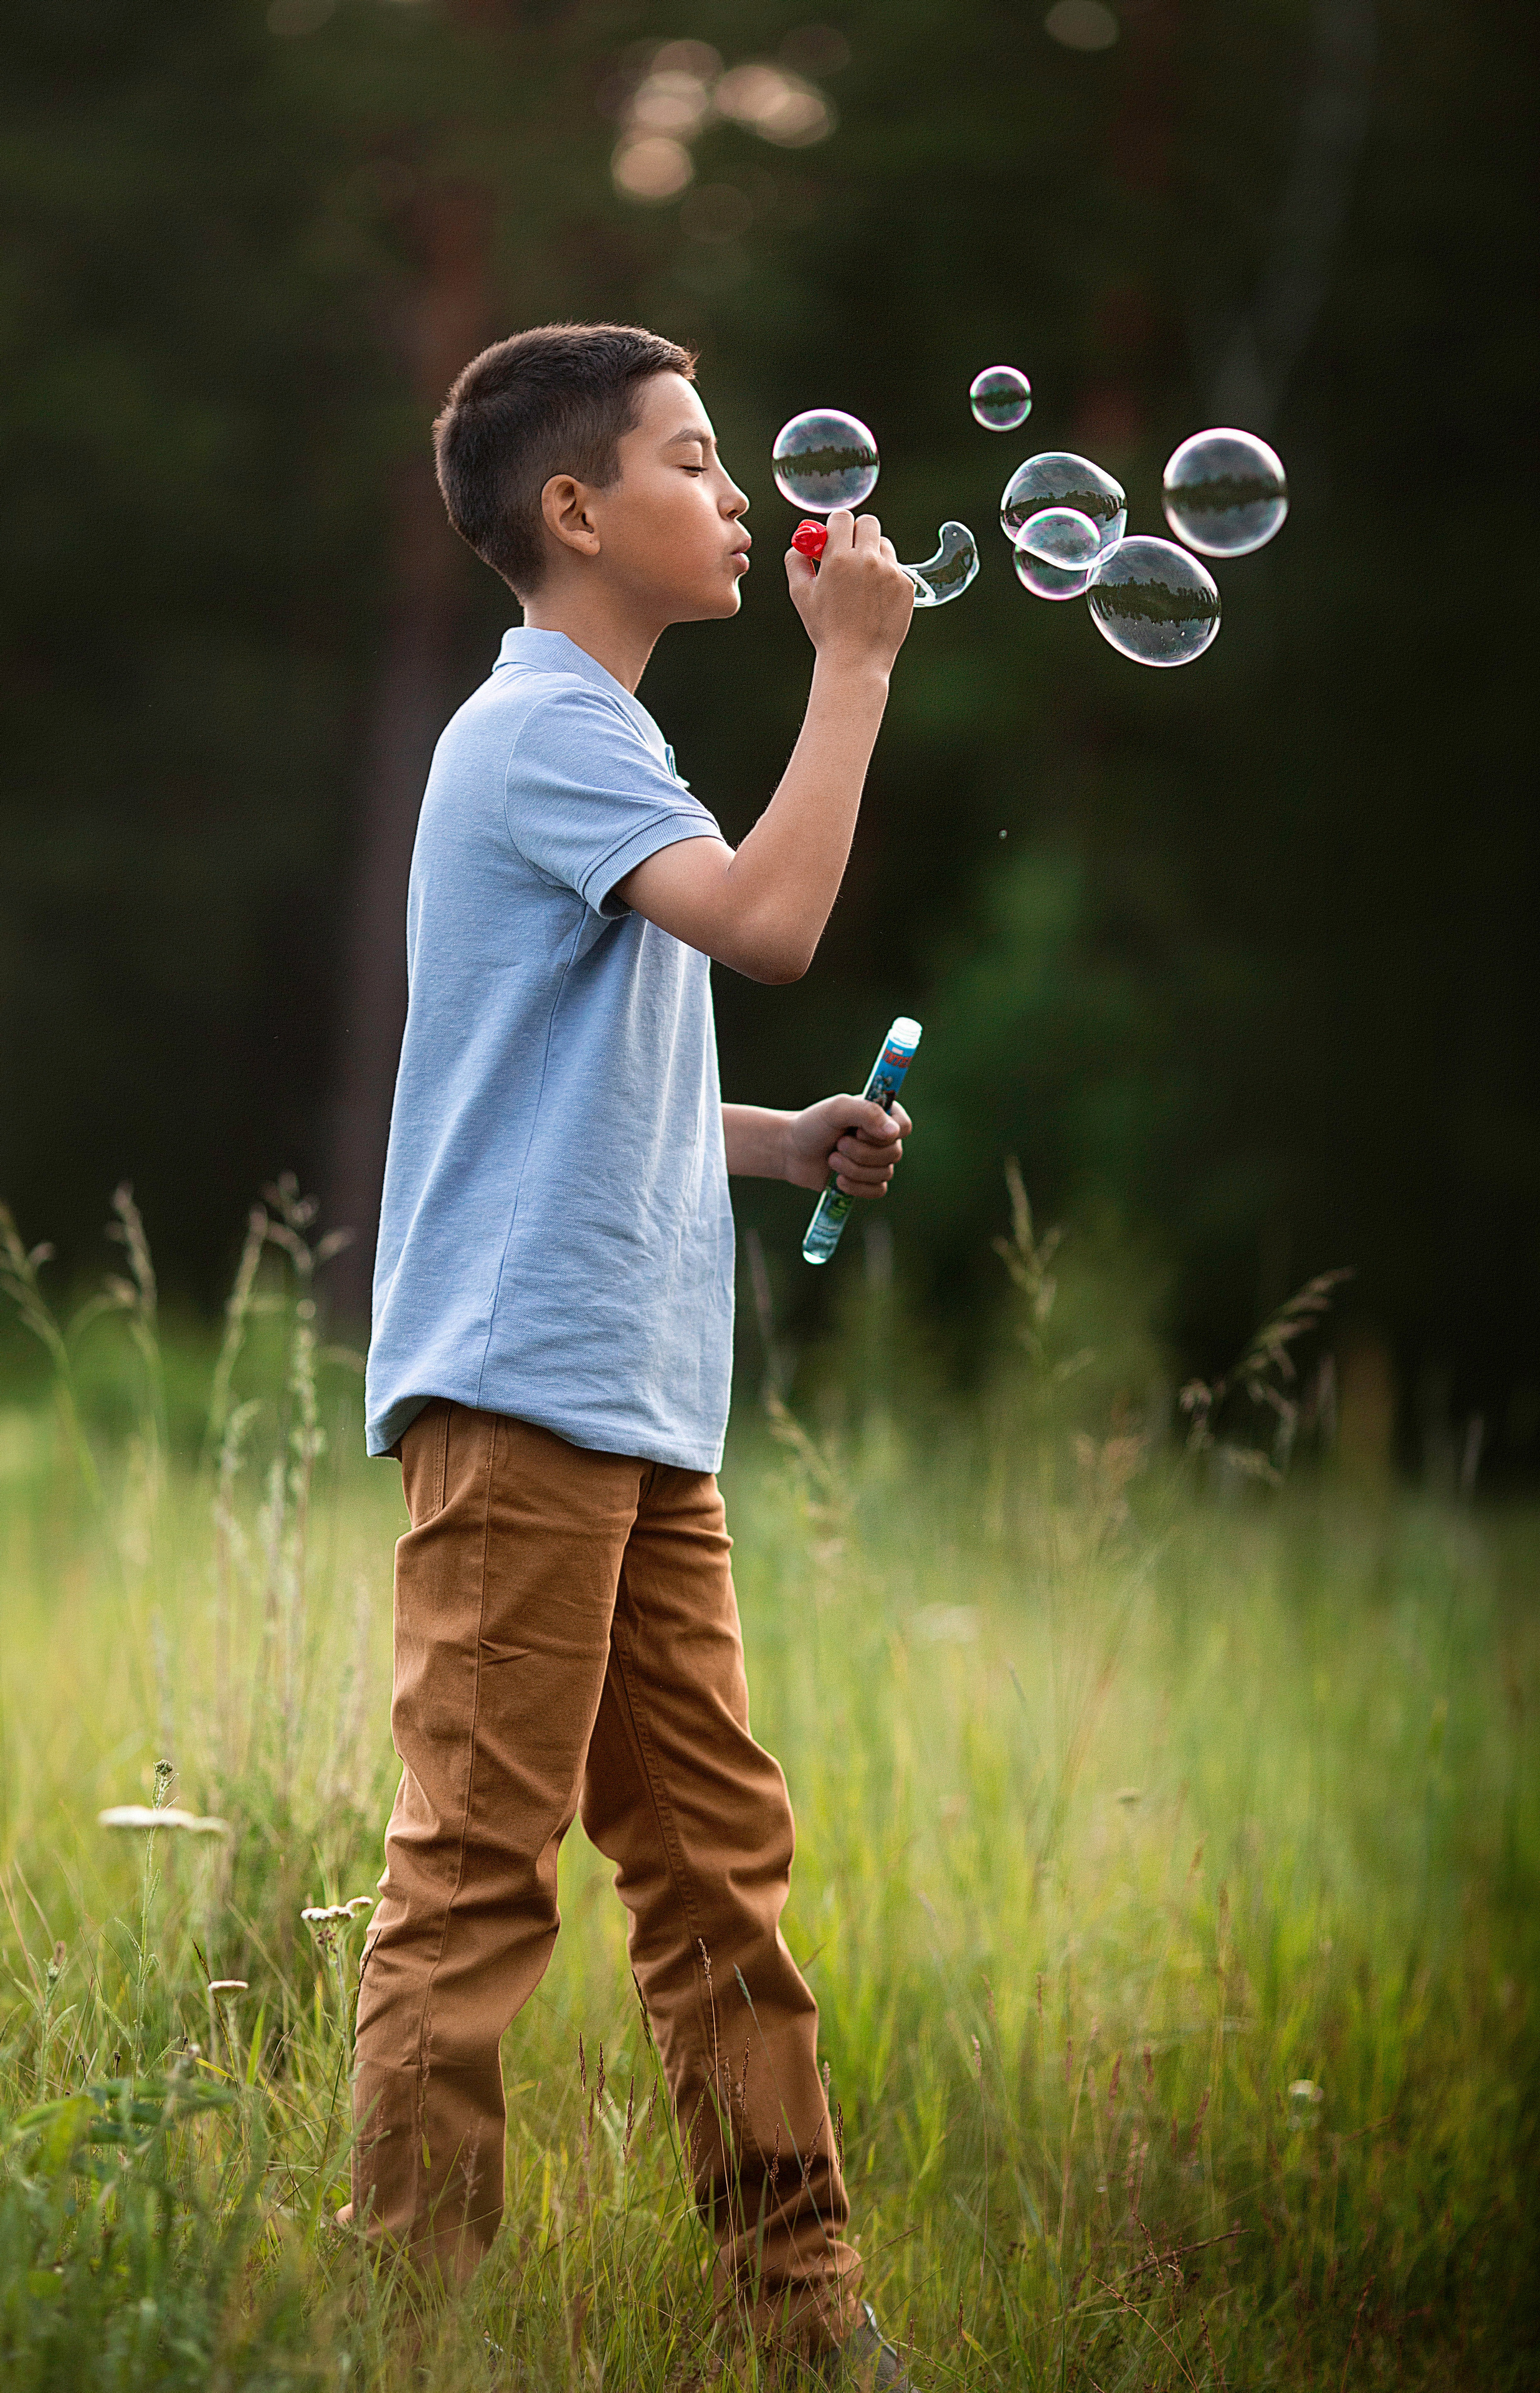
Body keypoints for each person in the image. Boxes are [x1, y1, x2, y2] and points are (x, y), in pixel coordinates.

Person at [349, 323, 918, 2384]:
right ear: (576, 511)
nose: (740, 494)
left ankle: (807, 2324)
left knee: (714, 1877)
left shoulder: (599, 742)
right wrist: (852, 665)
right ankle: (411, 2333)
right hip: (523, 1399)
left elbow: (599, 1056)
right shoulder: (546, 725)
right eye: (696, 460)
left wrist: (779, 1142)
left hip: (632, 1405)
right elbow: (770, 927)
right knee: (479, 1879)